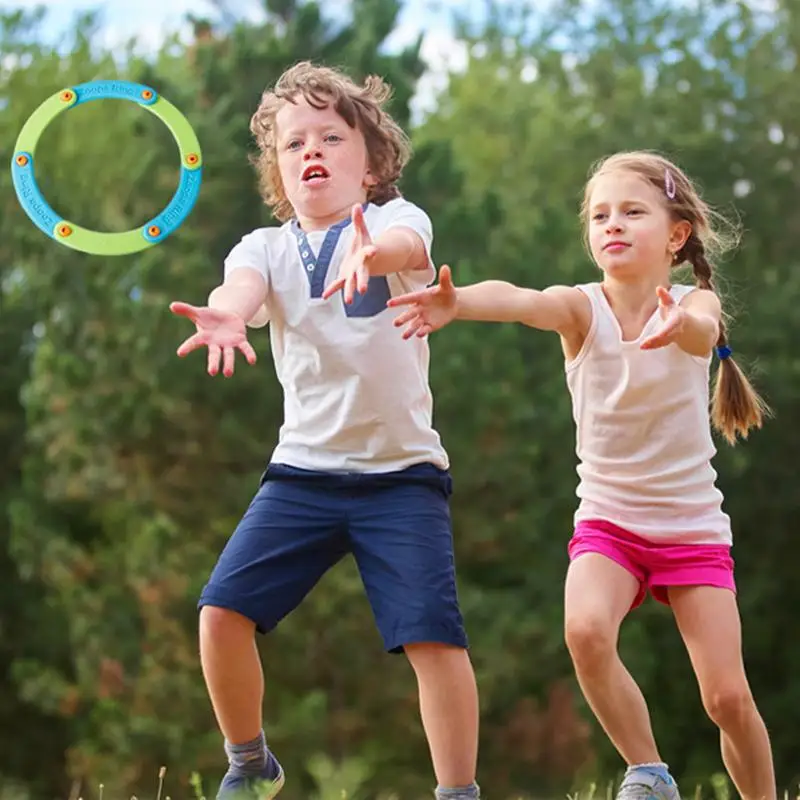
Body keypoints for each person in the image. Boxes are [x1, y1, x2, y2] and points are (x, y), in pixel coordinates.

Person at [388, 150, 775, 800]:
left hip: (692, 530)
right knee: (585, 631)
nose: (612, 225)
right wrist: (459, 304)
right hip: (609, 524)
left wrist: (680, 325)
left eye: (632, 212)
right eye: (599, 215)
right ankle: (649, 771)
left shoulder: (693, 300)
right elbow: (520, 300)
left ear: (676, 235)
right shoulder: (581, 309)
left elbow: (705, 331)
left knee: (727, 698)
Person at [169, 61, 480, 800]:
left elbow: (408, 249)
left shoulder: (399, 223)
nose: (311, 150)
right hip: (303, 477)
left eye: (331, 137)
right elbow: (240, 287)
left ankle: (458, 792)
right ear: (278, 170)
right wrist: (229, 312)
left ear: (370, 163)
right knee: (220, 615)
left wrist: (373, 253)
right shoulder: (265, 249)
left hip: (401, 478)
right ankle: (250, 764)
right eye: (293, 143)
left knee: (434, 640)